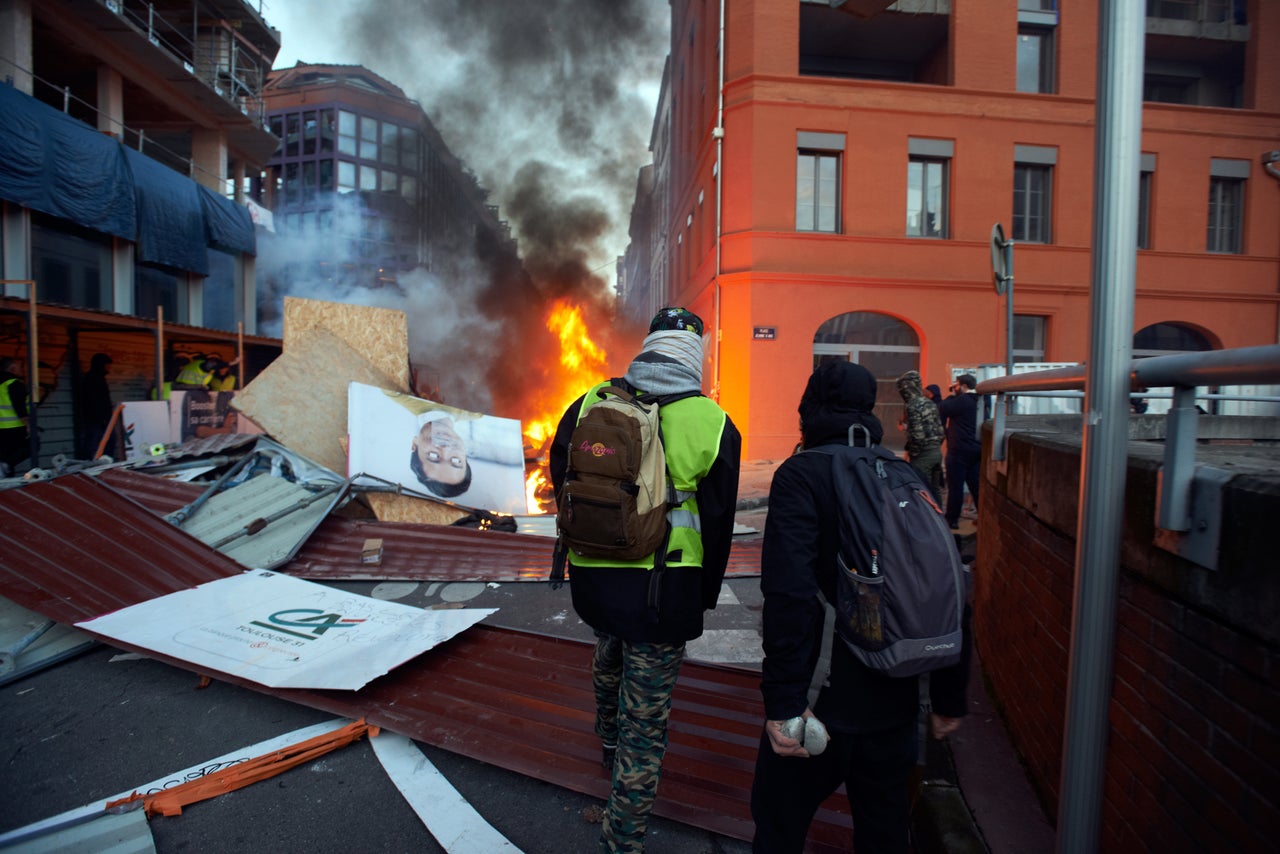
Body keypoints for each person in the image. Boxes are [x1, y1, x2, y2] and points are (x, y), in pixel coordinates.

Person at [750, 361, 969, 854]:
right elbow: (948, 584)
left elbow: (789, 593)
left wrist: (784, 701)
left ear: (809, 409)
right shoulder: (908, 475)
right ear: (870, 411)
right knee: (885, 831)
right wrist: (950, 696)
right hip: (895, 702)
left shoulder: (802, 475)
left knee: (779, 826)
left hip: (818, 705)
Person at [549, 306, 741, 853]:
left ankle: (606, 739)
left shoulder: (590, 401)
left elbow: (561, 476)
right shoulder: (712, 421)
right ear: (695, 356)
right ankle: (623, 838)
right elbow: (721, 521)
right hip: (665, 588)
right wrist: (704, 596)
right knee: (647, 721)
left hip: (592, 576)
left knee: (608, 649)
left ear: (648, 345)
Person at [937, 373, 981, 530]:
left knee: (956, 486)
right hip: (977, 449)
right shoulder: (981, 400)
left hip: (959, 450)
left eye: (956, 385)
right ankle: (983, 516)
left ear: (963, 386)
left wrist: (951, 395)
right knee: (976, 486)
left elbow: (942, 407)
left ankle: (952, 519)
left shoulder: (962, 400)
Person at [895, 370, 945, 505]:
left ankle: (924, 523)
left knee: (921, 491)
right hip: (936, 452)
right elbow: (941, 430)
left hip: (923, 456)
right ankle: (939, 521)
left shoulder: (912, 406)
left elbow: (918, 436)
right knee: (935, 490)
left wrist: (914, 453)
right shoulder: (930, 403)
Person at [409, 410, 472, 498]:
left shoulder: (400, 398)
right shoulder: (476, 412)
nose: (445, 449)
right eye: (456, 460)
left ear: (415, 445)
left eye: (433, 456)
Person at [77, 352, 115, 460]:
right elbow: (95, 401)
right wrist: (102, 418)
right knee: (95, 442)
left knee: (100, 441)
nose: (109, 368)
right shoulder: (93, 379)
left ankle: (100, 461)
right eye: (107, 365)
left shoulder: (97, 378)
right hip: (97, 419)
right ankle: (93, 462)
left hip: (100, 418)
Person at [0, 357, 31, 477]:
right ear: (12, 369)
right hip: (14, 427)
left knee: (5, 457)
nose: (22, 370)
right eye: (20, 367)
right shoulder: (14, 384)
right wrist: (28, 425)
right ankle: (5, 465)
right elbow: (20, 408)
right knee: (33, 444)